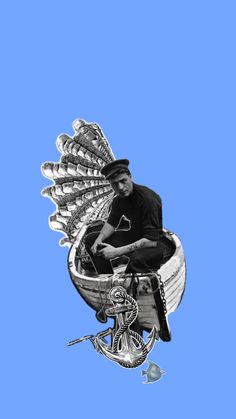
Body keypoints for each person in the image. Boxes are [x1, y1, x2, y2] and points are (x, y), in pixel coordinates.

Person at [85, 159, 174, 275]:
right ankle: (106, 276)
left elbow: (151, 241)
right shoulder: (118, 200)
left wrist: (116, 252)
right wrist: (99, 239)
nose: (120, 187)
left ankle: (126, 288)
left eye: (123, 181)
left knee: (137, 259)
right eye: (115, 184)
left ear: (130, 176)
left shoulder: (148, 200)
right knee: (91, 240)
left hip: (156, 245)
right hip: (134, 236)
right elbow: (111, 223)